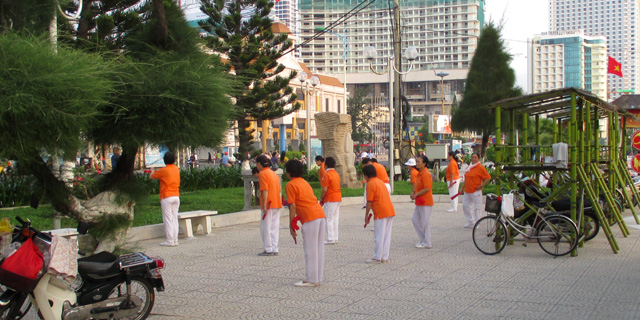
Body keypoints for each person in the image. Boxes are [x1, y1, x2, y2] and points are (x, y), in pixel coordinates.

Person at [285, 160, 326, 287]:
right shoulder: (304, 182)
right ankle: (317, 277)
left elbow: (292, 206)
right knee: (318, 248)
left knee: (310, 249)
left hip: (310, 217)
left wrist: (291, 225)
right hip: (319, 214)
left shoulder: (291, 185)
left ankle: (311, 279)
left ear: (289, 172)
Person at [363, 165, 395, 263]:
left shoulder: (371, 184)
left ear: (365, 175)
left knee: (379, 235)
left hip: (380, 212)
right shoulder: (380, 182)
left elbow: (369, 202)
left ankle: (377, 257)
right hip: (389, 210)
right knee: (386, 235)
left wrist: (366, 216)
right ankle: (384, 256)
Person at [150, 152, 181, 247]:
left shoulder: (164, 170)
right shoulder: (176, 169)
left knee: (168, 219)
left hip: (166, 196)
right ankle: (175, 240)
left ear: (164, 160)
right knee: (174, 218)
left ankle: (170, 240)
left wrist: (152, 170)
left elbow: (151, 177)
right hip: (176, 195)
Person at [257, 155, 283, 256]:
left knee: (265, 227)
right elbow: (279, 189)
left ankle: (268, 248)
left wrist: (264, 206)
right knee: (274, 227)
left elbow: (265, 190)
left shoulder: (263, 174)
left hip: (268, 204)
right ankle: (274, 247)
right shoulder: (273, 174)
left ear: (259, 164)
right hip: (276, 202)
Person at [461, 153, 491, 228]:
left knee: (477, 207)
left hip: (476, 190)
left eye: (475, 157)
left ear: (478, 159)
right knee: (465, 205)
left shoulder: (480, 168)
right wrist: (462, 188)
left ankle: (477, 222)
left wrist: (482, 185)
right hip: (467, 190)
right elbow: (466, 178)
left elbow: (488, 177)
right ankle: (470, 221)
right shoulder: (469, 167)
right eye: (472, 157)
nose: (473, 159)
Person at [410, 155, 433, 249]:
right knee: (415, 220)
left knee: (425, 222)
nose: (417, 163)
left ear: (424, 164)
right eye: (417, 161)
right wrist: (413, 192)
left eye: (419, 162)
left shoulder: (426, 174)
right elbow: (417, 186)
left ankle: (427, 242)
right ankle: (423, 239)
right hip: (419, 201)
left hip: (425, 201)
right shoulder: (419, 173)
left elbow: (427, 188)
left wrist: (416, 194)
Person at [320, 157, 341, 245]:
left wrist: (321, 198)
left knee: (328, 218)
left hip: (330, 197)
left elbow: (325, 189)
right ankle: (335, 237)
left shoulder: (327, 174)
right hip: (338, 197)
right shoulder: (336, 173)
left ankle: (330, 238)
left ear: (326, 164)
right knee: (335, 218)